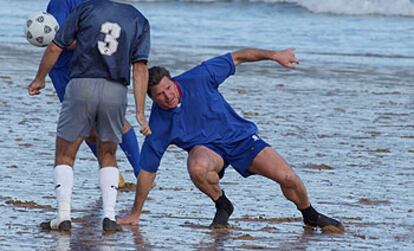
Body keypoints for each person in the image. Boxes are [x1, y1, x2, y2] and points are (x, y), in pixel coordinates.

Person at [118, 48, 345, 233]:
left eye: (168, 88)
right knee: (197, 167)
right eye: (159, 94)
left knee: (287, 178)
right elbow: (147, 172)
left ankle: (310, 215)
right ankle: (223, 205)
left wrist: (274, 55)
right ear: (151, 98)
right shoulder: (158, 124)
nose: (168, 96)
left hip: (241, 139)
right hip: (207, 151)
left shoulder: (199, 77)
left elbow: (237, 57)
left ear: (172, 81)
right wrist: (136, 212)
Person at [27, 0, 151, 232]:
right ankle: (110, 218)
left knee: (65, 153)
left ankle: (63, 217)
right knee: (108, 153)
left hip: (81, 81)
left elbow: (56, 45)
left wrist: (39, 78)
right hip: (116, 88)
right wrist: (141, 112)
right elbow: (140, 67)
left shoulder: (85, 9)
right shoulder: (137, 18)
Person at [46, 0, 143, 184]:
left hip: (89, 65)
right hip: (64, 68)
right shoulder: (61, 2)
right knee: (88, 127)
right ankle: (113, 175)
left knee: (115, 120)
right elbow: (60, 38)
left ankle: (141, 172)